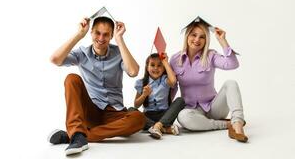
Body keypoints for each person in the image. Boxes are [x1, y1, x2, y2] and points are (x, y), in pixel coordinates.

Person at [48, 16, 146, 156]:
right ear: (91, 32)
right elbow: (55, 59)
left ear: (111, 35)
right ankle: (77, 132)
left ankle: (76, 135)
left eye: (106, 34)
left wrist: (120, 39)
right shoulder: (82, 53)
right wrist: (79, 34)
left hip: (114, 113)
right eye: (97, 33)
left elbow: (133, 71)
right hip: (91, 110)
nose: (101, 38)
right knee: (71, 79)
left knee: (139, 118)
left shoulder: (119, 52)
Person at [170, 19, 248, 142]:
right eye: (194, 35)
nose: (197, 40)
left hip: (214, 108)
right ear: (187, 36)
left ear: (206, 40)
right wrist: (162, 116)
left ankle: (237, 123)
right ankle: (226, 125)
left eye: (202, 37)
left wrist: (222, 40)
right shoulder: (175, 60)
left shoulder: (211, 56)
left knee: (231, 83)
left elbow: (232, 64)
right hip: (191, 111)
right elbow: (172, 87)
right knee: (182, 117)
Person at [133, 53, 185, 139]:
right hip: (148, 116)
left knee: (180, 100)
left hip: (165, 115)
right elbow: (136, 105)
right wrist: (144, 95)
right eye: (152, 65)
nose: (156, 68)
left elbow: (173, 81)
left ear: (163, 68)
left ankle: (158, 126)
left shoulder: (165, 80)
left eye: (159, 65)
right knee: (131, 110)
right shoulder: (141, 83)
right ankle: (164, 128)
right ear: (147, 67)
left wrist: (165, 62)